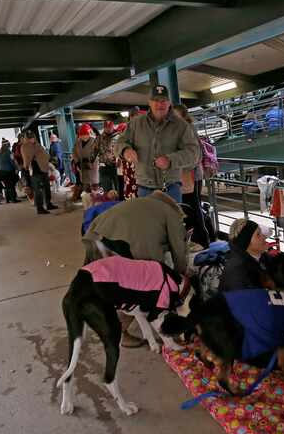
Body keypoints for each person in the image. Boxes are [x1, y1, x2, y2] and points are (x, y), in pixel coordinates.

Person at [82, 191, 188, 347]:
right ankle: (120, 332)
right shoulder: (172, 214)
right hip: (115, 242)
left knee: (114, 286)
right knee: (139, 288)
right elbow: (178, 250)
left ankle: (111, 326)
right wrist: (180, 276)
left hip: (96, 236)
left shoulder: (145, 204)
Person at [115, 85, 199, 204]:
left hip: (172, 189)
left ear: (169, 102)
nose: (160, 105)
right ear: (149, 102)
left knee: (173, 222)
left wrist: (171, 160)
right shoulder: (135, 124)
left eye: (163, 101)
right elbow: (119, 143)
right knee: (147, 223)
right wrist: (125, 150)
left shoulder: (181, 126)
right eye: (156, 101)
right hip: (144, 189)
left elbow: (194, 153)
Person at [173, 104, 211, 249]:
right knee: (191, 209)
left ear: (183, 116)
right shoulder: (182, 130)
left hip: (190, 176)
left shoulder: (187, 130)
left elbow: (195, 155)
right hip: (186, 175)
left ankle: (201, 241)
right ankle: (200, 240)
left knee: (192, 209)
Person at [220, 219, 273, 292]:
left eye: (261, 233)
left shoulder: (262, 258)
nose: (264, 237)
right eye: (258, 235)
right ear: (246, 242)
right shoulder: (237, 270)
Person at [21, 130, 58, 214]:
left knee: (47, 187)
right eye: (30, 138)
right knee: (38, 190)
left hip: (43, 168)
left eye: (33, 137)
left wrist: (48, 159)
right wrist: (26, 166)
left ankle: (48, 204)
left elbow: (44, 154)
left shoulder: (37, 144)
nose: (32, 139)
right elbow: (26, 159)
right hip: (35, 170)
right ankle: (40, 208)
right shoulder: (25, 146)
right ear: (27, 138)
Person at [73, 123, 99, 196]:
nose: (83, 137)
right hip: (82, 167)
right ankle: (87, 202)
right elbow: (74, 153)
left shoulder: (94, 141)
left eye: (85, 134)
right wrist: (77, 162)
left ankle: (96, 201)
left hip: (93, 167)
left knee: (95, 187)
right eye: (82, 135)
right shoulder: (77, 142)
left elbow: (97, 153)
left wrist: (89, 160)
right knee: (86, 187)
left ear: (89, 134)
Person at [97, 120, 119, 194]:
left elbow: (122, 149)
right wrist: (90, 160)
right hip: (104, 166)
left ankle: (119, 202)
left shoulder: (118, 137)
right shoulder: (99, 138)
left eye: (110, 127)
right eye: (106, 127)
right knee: (106, 187)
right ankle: (108, 203)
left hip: (116, 166)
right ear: (104, 128)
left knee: (118, 186)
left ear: (112, 127)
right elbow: (94, 150)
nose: (108, 129)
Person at [0, 139, 19, 203]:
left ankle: (8, 199)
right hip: (9, 171)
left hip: (1, 171)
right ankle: (13, 199)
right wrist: (16, 168)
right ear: (7, 145)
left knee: (6, 185)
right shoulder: (9, 152)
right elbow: (12, 161)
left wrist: (0, 169)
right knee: (11, 185)